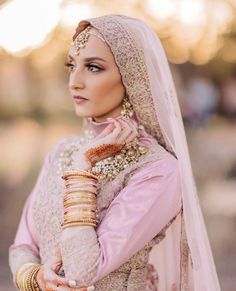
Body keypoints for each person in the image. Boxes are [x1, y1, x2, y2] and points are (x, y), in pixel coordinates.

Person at [9, 15, 221, 291]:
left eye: (94, 67)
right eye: (72, 66)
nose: (74, 81)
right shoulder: (61, 151)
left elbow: (82, 271)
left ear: (132, 78)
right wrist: (35, 277)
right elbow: (22, 247)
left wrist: (82, 169)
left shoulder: (156, 170)